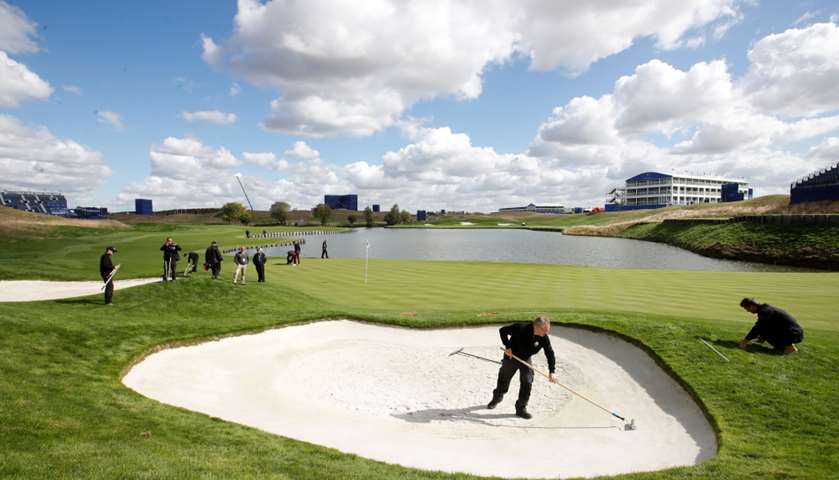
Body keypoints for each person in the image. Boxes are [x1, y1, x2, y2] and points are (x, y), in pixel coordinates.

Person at [487, 316, 557, 419]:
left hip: (525, 360)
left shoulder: (543, 337)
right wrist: (508, 347)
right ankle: (497, 397)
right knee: (504, 378)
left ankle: (521, 408)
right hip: (511, 356)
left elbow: (549, 353)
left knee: (527, 381)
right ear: (537, 327)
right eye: (545, 330)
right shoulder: (520, 328)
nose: (546, 333)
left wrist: (552, 371)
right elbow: (503, 331)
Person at [738, 298, 804, 354]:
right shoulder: (765, 309)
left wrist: (745, 341)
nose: (747, 311)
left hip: (793, 334)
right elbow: (766, 326)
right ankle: (783, 346)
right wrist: (762, 337)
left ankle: (790, 348)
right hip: (793, 333)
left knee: (762, 330)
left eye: (747, 308)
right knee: (764, 331)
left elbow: (758, 327)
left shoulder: (765, 311)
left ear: (752, 306)